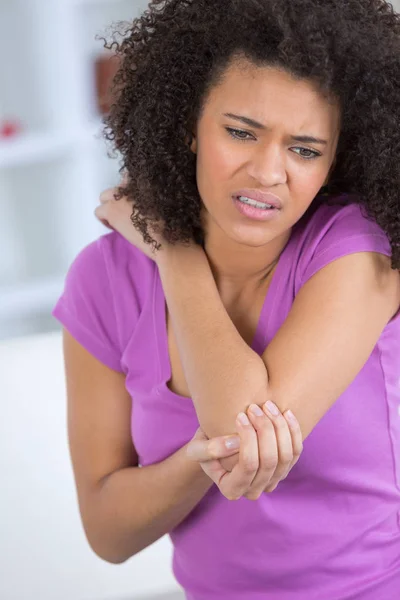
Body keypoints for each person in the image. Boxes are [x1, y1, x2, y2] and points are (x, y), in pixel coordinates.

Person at [53, 0, 400, 598]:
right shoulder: (102, 281)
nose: (268, 173)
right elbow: (109, 532)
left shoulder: (359, 249)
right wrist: (199, 458)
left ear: (336, 159)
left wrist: (173, 252)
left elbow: (239, 435)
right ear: (189, 123)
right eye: (241, 132)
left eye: (305, 150)